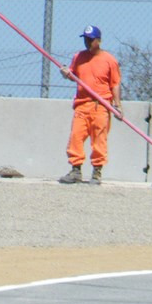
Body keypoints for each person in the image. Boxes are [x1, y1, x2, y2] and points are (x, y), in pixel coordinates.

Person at [58, 25, 121, 186]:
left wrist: (117, 106)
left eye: (90, 40)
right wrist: (66, 74)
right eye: (86, 39)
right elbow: (73, 75)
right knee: (76, 137)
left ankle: (97, 172)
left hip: (101, 105)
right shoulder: (78, 57)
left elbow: (115, 84)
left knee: (99, 140)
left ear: (98, 40)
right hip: (82, 104)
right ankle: (76, 171)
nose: (87, 42)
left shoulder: (109, 60)